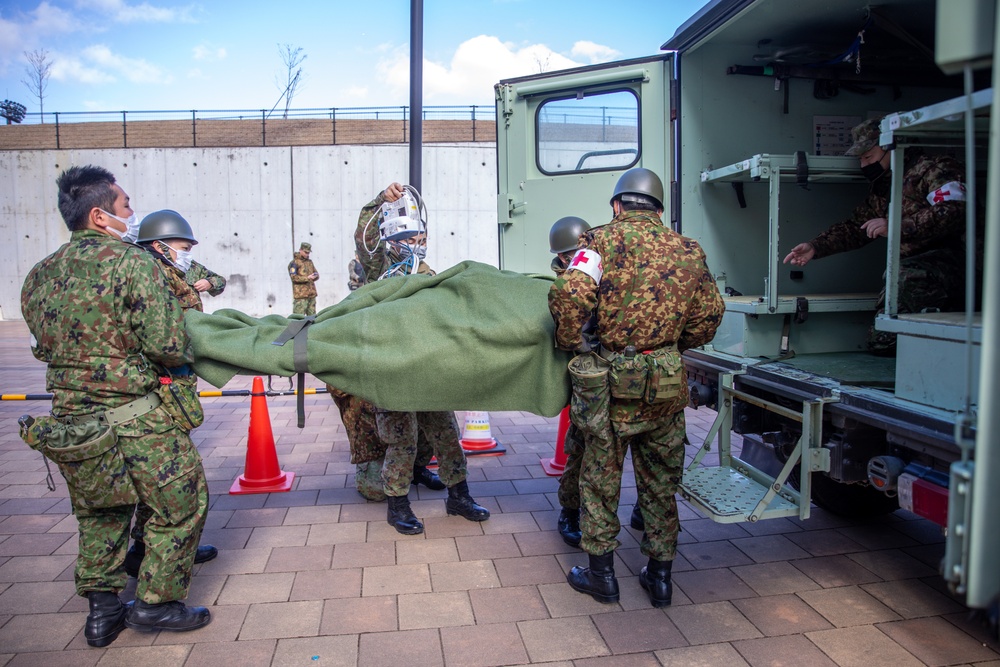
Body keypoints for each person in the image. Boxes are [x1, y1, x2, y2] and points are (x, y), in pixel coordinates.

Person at [20, 166, 211, 647]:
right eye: (125, 206)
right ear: (101, 216)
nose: (132, 213)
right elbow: (167, 342)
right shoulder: (134, 264)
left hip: (72, 422)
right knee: (180, 506)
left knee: (100, 513)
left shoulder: (39, 275)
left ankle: (103, 613)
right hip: (135, 418)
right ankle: (155, 604)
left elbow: (44, 347)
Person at [548, 168, 724, 607]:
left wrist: (575, 341)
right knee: (661, 482)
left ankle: (602, 577)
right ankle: (660, 578)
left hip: (609, 381)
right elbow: (711, 315)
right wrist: (668, 346)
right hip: (665, 381)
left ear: (617, 205)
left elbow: (570, 294)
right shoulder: (689, 249)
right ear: (660, 210)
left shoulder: (598, 242)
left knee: (600, 477)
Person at [355, 182, 489, 534]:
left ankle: (459, 495)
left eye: (420, 239)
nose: (416, 246)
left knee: (446, 433)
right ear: (392, 241)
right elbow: (364, 241)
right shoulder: (378, 270)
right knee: (402, 438)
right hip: (392, 371)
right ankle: (397, 505)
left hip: (427, 369)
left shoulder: (428, 274)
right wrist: (378, 202)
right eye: (409, 240)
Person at [783, 115, 971, 355]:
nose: (864, 165)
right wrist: (816, 247)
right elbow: (857, 227)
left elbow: (955, 211)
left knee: (891, 319)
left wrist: (897, 226)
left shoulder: (935, 169)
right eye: (861, 159)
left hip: (954, 266)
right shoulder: (885, 185)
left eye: (868, 157)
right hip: (915, 271)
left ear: (891, 148)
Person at [125, 210, 221, 577]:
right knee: (172, 484)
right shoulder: (149, 276)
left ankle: (154, 548)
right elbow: (164, 338)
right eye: (183, 248)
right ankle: (154, 563)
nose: (187, 255)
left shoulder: (172, 271)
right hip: (156, 391)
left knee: (160, 482)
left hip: (172, 389)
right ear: (159, 246)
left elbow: (217, 280)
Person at [548, 216, 646, 548]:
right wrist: (578, 345)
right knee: (582, 446)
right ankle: (570, 510)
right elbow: (569, 313)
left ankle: (644, 508)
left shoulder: (609, 264)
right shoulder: (574, 276)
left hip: (621, 369)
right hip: (591, 376)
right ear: (562, 258)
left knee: (639, 442)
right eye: (570, 254)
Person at [326, 386, 446, 501]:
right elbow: (336, 386)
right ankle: (371, 466)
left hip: (398, 392)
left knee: (428, 415)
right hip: (370, 417)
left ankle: (416, 468)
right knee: (376, 492)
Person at [289, 241, 319, 315]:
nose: (307, 254)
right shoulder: (294, 263)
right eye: (305, 252)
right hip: (301, 296)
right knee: (298, 319)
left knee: (312, 318)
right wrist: (307, 278)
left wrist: (315, 276)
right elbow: (294, 277)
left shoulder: (309, 262)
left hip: (311, 295)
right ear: (300, 250)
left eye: (308, 253)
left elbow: (316, 273)